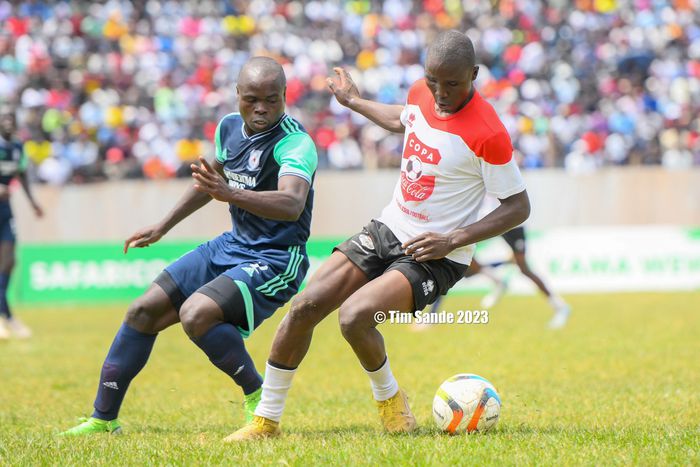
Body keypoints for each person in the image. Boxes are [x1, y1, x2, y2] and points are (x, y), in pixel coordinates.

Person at [228, 30, 531, 441]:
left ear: (474, 75)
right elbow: (403, 120)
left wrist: (452, 240)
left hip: (437, 255)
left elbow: (518, 207)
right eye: (432, 81)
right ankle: (265, 421)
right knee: (304, 307)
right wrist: (354, 101)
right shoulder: (422, 93)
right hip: (390, 227)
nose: (440, 93)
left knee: (354, 317)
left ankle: (391, 401)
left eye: (452, 84)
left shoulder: (488, 133)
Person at [60, 57, 318, 435]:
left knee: (196, 314)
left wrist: (230, 193)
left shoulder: (295, 142)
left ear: (284, 96)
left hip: (278, 257)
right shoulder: (229, 128)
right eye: (251, 99)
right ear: (237, 95)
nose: (261, 108)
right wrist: (163, 226)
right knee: (142, 311)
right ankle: (103, 419)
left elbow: (292, 204)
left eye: (271, 99)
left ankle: (257, 395)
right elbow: (210, 182)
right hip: (233, 245)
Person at [423, 224, 572, 330]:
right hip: (485, 220)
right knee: (463, 262)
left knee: (524, 269)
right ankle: (431, 317)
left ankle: (560, 307)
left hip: (510, 220)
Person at [0, 111, 43, 340]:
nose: (8, 123)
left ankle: (5, 316)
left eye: (11, 119)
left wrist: (33, 202)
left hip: (5, 210)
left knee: (8, 262)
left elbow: (22, 175)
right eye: (4, 119)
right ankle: (7, 317)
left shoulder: (17, 146)